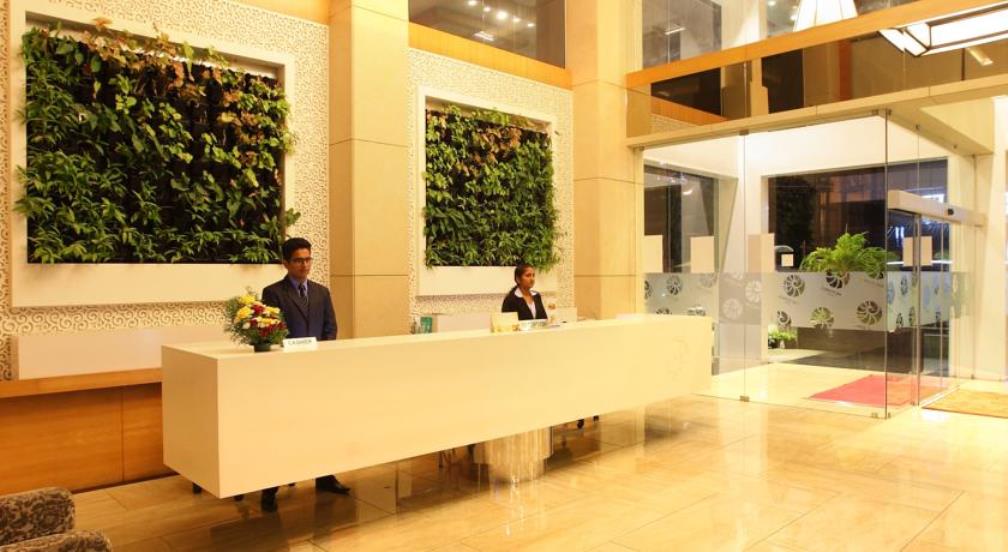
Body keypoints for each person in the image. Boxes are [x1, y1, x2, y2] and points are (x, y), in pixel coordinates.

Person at [258, 237, 350, 513]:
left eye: (308, 259)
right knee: (284, 431)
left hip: (317, 373)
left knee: (322, 426)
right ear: (285, 263)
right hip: (287, 374)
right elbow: (272, 330)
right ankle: (270, 488)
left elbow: (331, 328)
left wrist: (321, 356)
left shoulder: (322, 292)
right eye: (298, 260)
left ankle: (324, 476)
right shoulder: (273, 293)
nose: (305, 265)